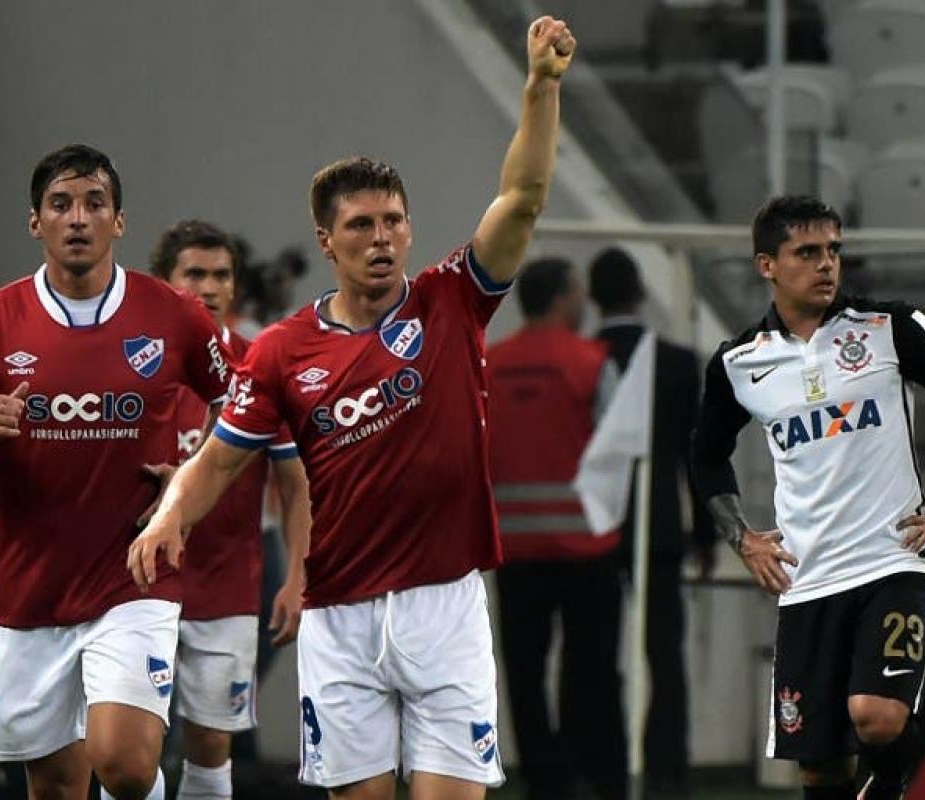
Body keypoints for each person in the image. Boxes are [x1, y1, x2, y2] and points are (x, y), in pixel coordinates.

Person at [127, 16, 577, 800]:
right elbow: (221, 460)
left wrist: (540, 87)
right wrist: (171, 518)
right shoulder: (281, 351)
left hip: (445, 607)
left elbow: (523, 197)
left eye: (393, 221)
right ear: (326, 242)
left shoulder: (451, 302)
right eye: (361, 225)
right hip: (339, 616)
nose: (381, 238)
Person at [0, 144, 233, 800]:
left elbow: (241, 407)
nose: (78, 218)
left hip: (134, 575)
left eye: (94, 203)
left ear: (119, 221)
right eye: (60, 204)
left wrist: (191, 479)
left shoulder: (173, 314)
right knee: (54, 786)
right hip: (31, 590)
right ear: (36, 222)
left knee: (125, 764)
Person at [690, 196, 925, 800]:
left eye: (834, 250)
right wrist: (743, 539)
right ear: (767, 265)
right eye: (807, 252)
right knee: (819, 768)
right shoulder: (737, 362)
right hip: (807, 579)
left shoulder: (891, 328)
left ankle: (891, 780)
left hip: (893, 561)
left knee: (876, 716)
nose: (826, 264)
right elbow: (704, 455)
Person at [148, 219, 311, 800]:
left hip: (227, 584)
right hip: (134, 588)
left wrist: (297, 576)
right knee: (130, 753)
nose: (210, 287)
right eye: (194, 274)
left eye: (221, 275)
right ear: (164, 284)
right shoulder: (129, 363)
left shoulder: (260, 365)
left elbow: (295, 482)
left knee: (212, 744)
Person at [486, 257, 626, 800]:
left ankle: (542, 780)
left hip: (514, 548)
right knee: (588, 668)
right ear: (563, 298)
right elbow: (618, 452)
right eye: (578, 291)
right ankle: (583, 771)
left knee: (522, 671)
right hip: (586, 547)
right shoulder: (592, 362)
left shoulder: (489, 365)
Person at [588, 246, 715, 797]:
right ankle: (667, 769)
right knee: (664, 655)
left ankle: (602, 767)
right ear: (640, 293)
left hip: (595, 525)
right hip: (660, 525)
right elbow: (697, 458)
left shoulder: (583, 358)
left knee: (595, 654)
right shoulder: (678, 363)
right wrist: (706, 535)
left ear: (592, 298)